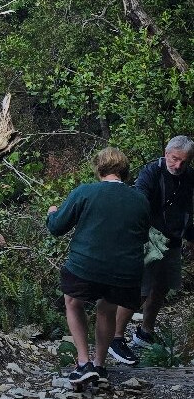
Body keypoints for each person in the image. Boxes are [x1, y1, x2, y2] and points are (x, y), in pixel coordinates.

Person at [47, 147, 151, 386]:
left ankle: (84, 363)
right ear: (124, 172)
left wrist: (52, 212)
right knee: (107, 308)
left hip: (86, 266)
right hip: (125, 273)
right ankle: (101, 365)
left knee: (73, 302)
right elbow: (142, 236)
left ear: (98, 169)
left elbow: (56, 227)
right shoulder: (140, 199)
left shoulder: (85, 192)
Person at [109, 135, 194, 365]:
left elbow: (189, 209)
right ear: (167, 153)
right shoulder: (151, 172)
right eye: (175, 159)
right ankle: (115, 339)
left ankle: (145, 333)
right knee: (140, 290)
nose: (178, 165)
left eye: (184, 162)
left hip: (173, 240)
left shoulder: (189, 177)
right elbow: (138, 202)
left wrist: (190, 237)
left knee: (161, 287)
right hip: (148, 239)